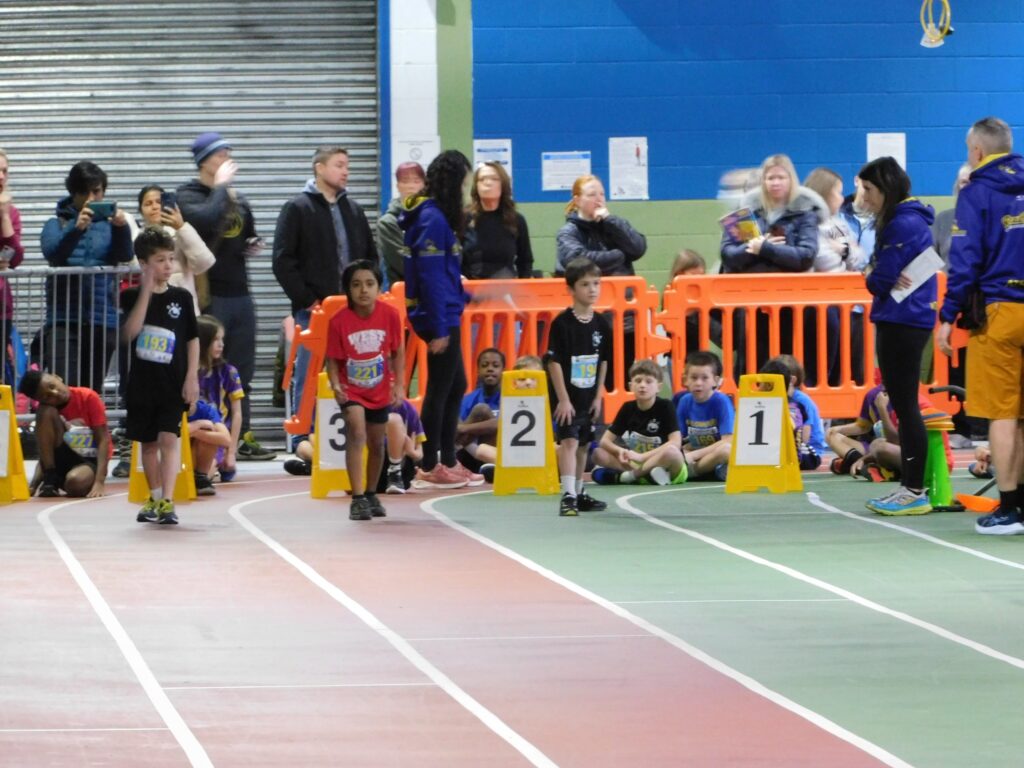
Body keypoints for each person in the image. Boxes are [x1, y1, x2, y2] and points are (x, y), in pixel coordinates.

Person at [937, 116, 1024, 534]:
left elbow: (965, 260)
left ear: (976, 151)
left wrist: (946, 316)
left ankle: (1009, 507)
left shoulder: (977, 192)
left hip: (1001, 310)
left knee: (1003, 415)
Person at [177, 131, 274, 461]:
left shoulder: (234, 195)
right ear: (204, 161)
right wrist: (220, 187)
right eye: (220, 155)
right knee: (208, 363)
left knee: (242, 369)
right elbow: (201, 220)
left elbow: (245, 230)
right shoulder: (188, 194)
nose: (227, 160)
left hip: (240, 291)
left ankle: (242, 434)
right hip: (210, 295)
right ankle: (207, 430)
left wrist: (251, 243)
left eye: (228, 154)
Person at [272, 145, 377, 441]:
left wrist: (367, 294)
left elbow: (370, 255)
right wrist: (308, 299)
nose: (346, 171)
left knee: (355, 371)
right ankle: (302, 438)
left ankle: (352, 434)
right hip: (314, 309)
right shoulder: (298, 207)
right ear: (319, 167)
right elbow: (282, 260)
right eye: (339, 165)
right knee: (308, 370)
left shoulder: (353, 209)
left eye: (348, 166)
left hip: (352, 310)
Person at [399, 149, 481, 490]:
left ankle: (447, 458)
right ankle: (431, 463)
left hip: (447, 310)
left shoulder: (435, 218)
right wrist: (439, 327)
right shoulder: (432, 220)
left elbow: (443, 275)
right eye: (463, 183)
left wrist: (464, 297)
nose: (466, 190)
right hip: (440, 318)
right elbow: (430, 278)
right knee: (439, 388)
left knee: (456, 384)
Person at [859, 156, 936, 516]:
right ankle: (911, 487)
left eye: (869, 189)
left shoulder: (901, 224)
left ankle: (914, 489)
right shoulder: (905, 220)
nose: (865, 197)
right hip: (904, 319)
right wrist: (879, 272)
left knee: (905, 407)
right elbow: (882, 276)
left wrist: (876, 273)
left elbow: (878, 281)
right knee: (903, 406)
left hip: (902, 321)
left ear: (886, 188)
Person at [121, 226, 199, 525]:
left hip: (172, 383)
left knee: (169, 438)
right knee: (149, 444)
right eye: (160, 260)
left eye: (170, 259)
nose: (168, 266)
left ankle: (167, 500)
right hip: (142, 385)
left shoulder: (181, 297)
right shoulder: (130, 297)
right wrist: (145, 289)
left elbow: (192, 339)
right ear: (144, 264)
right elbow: (131, 332)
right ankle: (153, 497)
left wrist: (191, 377)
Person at [720, 154, 827, 372]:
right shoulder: (746, 212)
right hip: (750, 301)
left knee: (786, 361)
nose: (775, 183)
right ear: (763, 181)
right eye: (770, 178)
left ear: (791, 179)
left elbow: (805, 256)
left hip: (790, 302)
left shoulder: (805, 213)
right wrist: (760, 247)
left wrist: (765, 248)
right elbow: (728, 254)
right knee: (749, 360)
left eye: (781, 177)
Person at [40, 160, 133, 393]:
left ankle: (88, 430)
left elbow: (126, 254)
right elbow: (53, 253)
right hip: (63, 320)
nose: (92, 198)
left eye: (98, 191)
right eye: (86, 192)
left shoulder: (112, 226)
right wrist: (75, 229)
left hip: (102, 321)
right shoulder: (57, 223)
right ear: (74, 193)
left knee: (91, 392)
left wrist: (122, 228)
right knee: (63, 390)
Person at [325, 260, 405, 520]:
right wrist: (336, 385)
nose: (363, 290)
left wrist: (399, 383)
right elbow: (333, 359)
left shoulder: (390, 315)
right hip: (352, 390)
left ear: (379, 287)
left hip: (380, 389)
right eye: (356, 285)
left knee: (376, 443)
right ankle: (357, 497)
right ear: (347, 289)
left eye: (369, 284)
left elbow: (398, 351)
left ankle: (371, 492)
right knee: (356, 432)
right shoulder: (339, 322)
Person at [555, 174, 646, 388]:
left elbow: (638, 247)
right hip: (588, 318)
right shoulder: (569, 232)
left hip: (624, 320)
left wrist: (611, 221)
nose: (599, 199)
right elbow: (578, 261)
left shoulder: (612, 226)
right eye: (591, 194)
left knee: (622, 376)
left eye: (602, 194)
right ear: (577, 200)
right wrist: (618, 256)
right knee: (588, 377)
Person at [545, 257, 611, 516]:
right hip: (567, 395)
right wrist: (562, 399)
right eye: (585, 284)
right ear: (571, 289)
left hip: (588, 395)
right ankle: (568, 495)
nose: (592, 289)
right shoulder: (562, 324)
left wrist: (598, 396)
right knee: (569, 441)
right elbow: (553, 361)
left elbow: (603, 361)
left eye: (596, 283)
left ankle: (580, 490)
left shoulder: (601, 324)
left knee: (584, 443)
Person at [802, 168, 868, 386]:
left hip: (844, 306)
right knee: (820, 367)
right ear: (824, 194)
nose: (842, 198)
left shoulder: (838, 223)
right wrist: (844, 255)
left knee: (844, 367)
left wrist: (844, 250)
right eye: (838, 192)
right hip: (817, 307)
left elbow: (860, 257)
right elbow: (822, 260)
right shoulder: (807, 223)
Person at [591, 360, 686, 485]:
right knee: (598, 454)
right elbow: (604, 441)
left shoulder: (666, 406)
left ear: (659, 387)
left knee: (672, 452)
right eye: (638, 380)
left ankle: (630, 477)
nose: (642, 385)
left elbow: (675, 442)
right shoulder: (627, 407)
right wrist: (619, 451)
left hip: (663, 462)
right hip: (636, 463)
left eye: (648, 381)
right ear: (630, 386)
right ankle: (647, 476)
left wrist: (643, 457)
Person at [18, 370, 110, 498]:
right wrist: (33, 485)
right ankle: (50, 478)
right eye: (46, 397)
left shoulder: (88, 397)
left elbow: (103, 440)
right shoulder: (46, 410)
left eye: (52, 386)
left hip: (87, 461)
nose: (55, 393)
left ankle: (66, 481)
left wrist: (100, 481)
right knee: (45, 412)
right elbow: (44, 451)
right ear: (39, 400)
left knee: (75, 482)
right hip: (58, 460)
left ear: (57, 377)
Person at [136, 184, 215, 315]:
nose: (155, 207)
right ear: (141, 210)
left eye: (159, 202)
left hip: (182, 308)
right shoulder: (136, 238)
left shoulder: (181, 232)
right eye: (148, 203)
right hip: (149, 308)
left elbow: (204, 262)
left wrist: (181, 227)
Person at [462, 162, 533, 279]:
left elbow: (525, 261)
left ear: (503, 185)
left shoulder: (516, 220)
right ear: (476, 186)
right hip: (471, 290)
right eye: (482, 179)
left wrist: (522, 291)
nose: (488, 183)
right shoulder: (464, 219)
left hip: (506, 291)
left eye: (494, 179)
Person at [197, 314, 245, 481]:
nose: (221, 344)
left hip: (217, 435)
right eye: (215, 340)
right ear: (202, 342)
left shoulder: (228, 372)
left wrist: (231, 452)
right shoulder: (188, 372)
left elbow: (237, 413)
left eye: (222, 339)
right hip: (193, 432)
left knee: (203, 474)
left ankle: (213, 467)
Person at [674, 350, 732, 481]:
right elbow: (677, 438)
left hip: (715, 456)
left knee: (727, 450)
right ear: (686, 380)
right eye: (694, 378)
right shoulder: (685, 401)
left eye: (704, 378)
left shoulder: (721, 401)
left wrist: (694, 455)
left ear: (715, 381)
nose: (699, 383)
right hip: (695, 453)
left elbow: (728, 440)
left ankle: (691, 472)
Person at [760, 357, 820, 470]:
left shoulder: (797, 405)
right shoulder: (760, 403)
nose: (759, 388)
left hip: (800, 450)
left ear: (769, 385)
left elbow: (804, 437)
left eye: (761, 384)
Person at [455, 348, 503, 476]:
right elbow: (455, 431)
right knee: (478, 410)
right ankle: (450, 458)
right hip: (470, 453)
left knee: (483, 410)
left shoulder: (510, 398)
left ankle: (491, 464)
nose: (490, 369)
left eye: (496, 365)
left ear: (503, 371)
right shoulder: (468, 400)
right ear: (478, 371)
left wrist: (464, 429)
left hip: (500, 454)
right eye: (484, 365)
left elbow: (503, 424)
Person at [378, 162, 426, 287]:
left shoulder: (434, 218)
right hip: (404, 294)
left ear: (424, 185)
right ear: (398, 186)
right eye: (405, 181)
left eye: (416, 181)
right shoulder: (388, 222)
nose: (411, 186)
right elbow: (404, 263)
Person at [0, 149, 24, 374]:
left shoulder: (12, 213)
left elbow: (14, 257)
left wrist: (4, 216)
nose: (1, 176)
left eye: (5, 170)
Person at [776, 354, 826, 453]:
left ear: (791, 380)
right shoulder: (776, 397)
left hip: (808, 448)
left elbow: (805, 437)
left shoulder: (802, 401)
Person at [186, 399, 230, 496]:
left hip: (195, 458)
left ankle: (200, 476)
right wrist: (197, 424)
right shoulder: (169, 408)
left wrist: (196, 432)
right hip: (175, 457)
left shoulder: (206, 410)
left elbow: (226, 440)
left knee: (210, 430)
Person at [932, 163, 972, 265]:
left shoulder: (992, 218)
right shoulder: (943, 219)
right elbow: (929, 261)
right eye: (964, 182)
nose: (968, 187)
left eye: (973, 182)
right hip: (947, 280)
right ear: (957, 186)